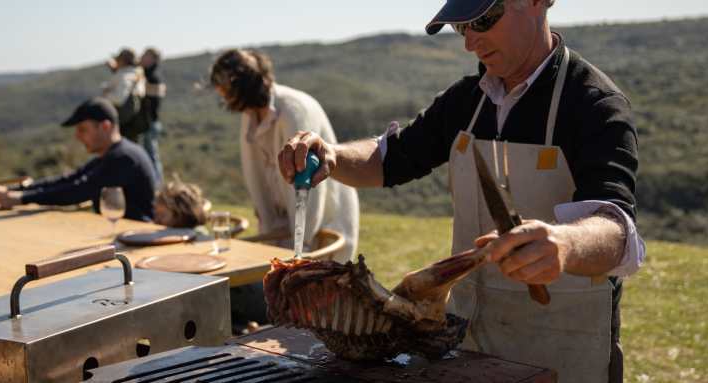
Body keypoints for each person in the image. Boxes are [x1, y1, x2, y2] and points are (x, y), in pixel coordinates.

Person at [277, 0, 644, 382]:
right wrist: (333, 155)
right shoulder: (467, 101)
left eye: (483, 20)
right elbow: (390, 158)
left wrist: (565, 245)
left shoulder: (593, 104)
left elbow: (616, 229)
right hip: (469, 345)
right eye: (461, 28)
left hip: (562, 348)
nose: (470, 42)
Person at [210, 48, 360, 333]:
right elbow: (257, 178)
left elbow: (309, 189)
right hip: (282, 230)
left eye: (224, 89)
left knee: (311, 312)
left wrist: (298, 254)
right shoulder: (250, 116)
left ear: (240, 85)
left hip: (321, 226)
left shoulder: (294, 110)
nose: (222, 96)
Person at [0, 98, 157, 222]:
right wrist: (12, 191)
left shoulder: (124, 157)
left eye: (83, 129)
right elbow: (69, 179)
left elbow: (78, 190)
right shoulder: (114, 154)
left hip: (135, 240)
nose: (77, 136)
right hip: (120, 236)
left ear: (105, 126)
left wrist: (21, 198)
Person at [139, 47, 167, 185]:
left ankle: (157, 185)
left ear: (153, 59)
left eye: (146, 55)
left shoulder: (153, 77)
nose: (142, 57)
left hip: (150, 122)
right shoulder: (146, 75)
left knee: (151, 155)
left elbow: (155, 94)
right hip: (147, 122)